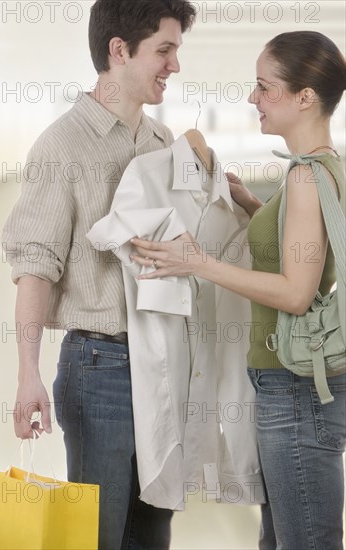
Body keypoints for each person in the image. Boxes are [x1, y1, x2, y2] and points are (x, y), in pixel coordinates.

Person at [130, 31, 346, 550]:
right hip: (294, 388)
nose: (253, 99)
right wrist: (253, 206)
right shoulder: (321, 169)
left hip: (292, 392)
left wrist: (198, 261)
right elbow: (305, 253)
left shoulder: (303, 178)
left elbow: (296, 292)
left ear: (304, 97)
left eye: (264, 87)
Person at [2, 0, 196, 548]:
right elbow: (35, 266)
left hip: (161, 360)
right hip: (99, 366)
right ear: (119, 50)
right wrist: (27, 373)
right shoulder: (61, 145)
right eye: (164, 50)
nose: (174, 66)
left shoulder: (164, 145)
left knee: (154, 529)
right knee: (99, 536)